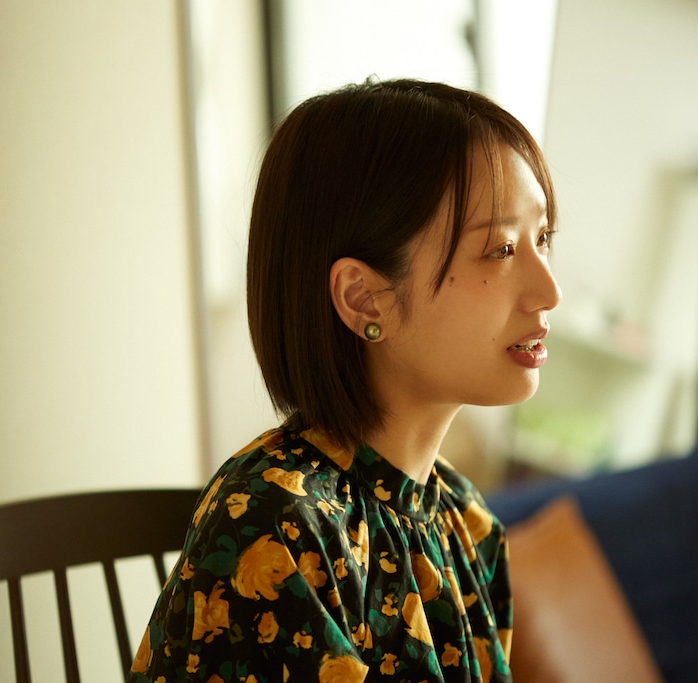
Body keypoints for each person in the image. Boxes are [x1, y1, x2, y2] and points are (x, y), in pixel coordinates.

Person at [128, 78, 562, 683]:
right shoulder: (276, 528)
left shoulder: (469, 523)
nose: (549, 291)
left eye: (542, 240)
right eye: (501, 248)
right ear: (363, 298)